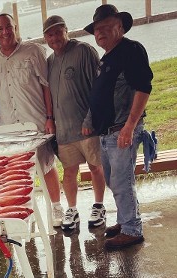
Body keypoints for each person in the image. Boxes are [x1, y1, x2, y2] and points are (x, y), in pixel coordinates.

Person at [83, 4, 153, 250]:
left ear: (120, 27)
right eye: (96, 29)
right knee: (114, 180)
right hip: (106, 132)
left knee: (122, 182)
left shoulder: (131, 50)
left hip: (122, 130)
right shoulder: (107, 57)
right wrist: (89, 120)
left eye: (105, 27)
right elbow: (100, 93)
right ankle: (125, 221)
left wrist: (129, 127)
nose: (100, 32)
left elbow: (144, 88)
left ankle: (132, 229)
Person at [0, 13, 64, 226]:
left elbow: (46, 86)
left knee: (46, 166)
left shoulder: (33, 51)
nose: (5, 32)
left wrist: (50, 117)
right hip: (9, 129)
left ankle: (56, 208)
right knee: (18, 173)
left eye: (8, 27)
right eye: (0, 29)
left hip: (36, 122)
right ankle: (24, 214)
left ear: (15, 28)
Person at [44, 15, 106, 232]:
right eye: (50, 34)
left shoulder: (83, 51)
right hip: (64, 131)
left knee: (95, 167)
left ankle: (98, 205)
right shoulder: (50, 62)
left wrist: (90, 119)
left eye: (58, 32)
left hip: (88, 127)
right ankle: (72, 209)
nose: (54, 37)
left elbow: (99, 88)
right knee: (69, 172)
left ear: (66, 31)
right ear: (45, 38)